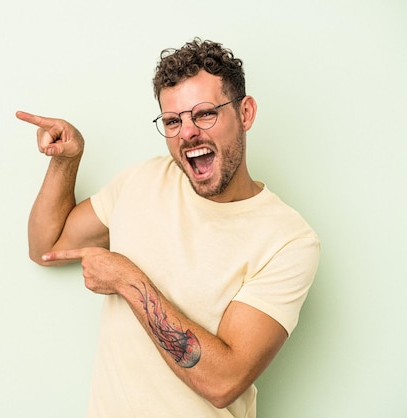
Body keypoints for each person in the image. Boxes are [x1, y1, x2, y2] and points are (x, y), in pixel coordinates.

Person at [16, 37, 320, 418]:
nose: (188, 132)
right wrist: (67, 161)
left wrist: (127, 279)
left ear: (245, 113)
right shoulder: (142, 180)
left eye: (205, 113)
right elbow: (46, 245)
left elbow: (224, 382)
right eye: (173, 121)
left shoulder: (288, 241)